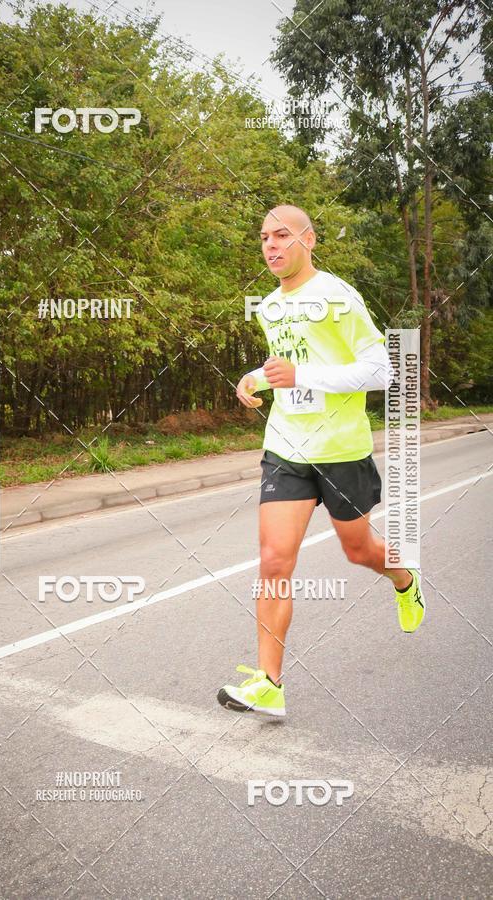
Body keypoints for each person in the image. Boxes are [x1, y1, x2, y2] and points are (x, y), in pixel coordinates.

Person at [217, 205, 425, 718]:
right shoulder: (268, 305)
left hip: (341, 451)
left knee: (359, 551)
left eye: (282, 235)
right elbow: (285, 364)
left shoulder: (337, 295)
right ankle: (269, 683)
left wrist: (301, 377)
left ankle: (404, 578)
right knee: (273, 560)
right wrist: (254, 379)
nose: (271, 245)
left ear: (308, 240)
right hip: (287, 447)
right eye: (264, 237)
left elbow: (381, 371)